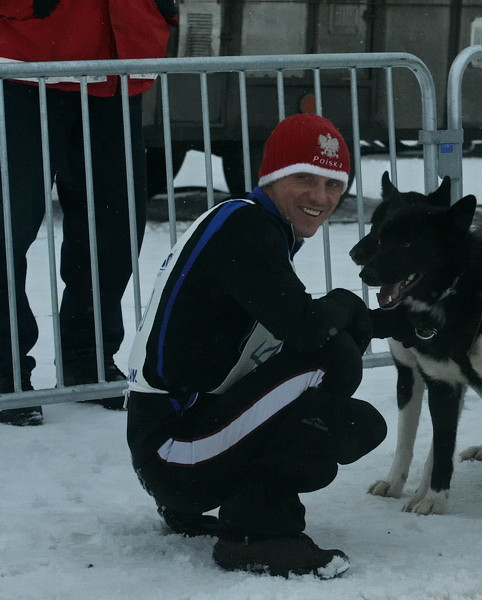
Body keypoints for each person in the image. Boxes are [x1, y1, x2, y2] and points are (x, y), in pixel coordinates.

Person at [126, 114, 386, 579]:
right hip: (174, 452)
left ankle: (212, 502)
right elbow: (309, 331)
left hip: (172, 440)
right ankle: (257, 533)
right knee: (332, 362)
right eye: (303, 178)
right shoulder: (246, 228)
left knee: (355, 421)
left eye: (332, 184)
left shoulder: (245, 221)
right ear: (270, 178)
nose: (320, 197)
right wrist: (348, 304)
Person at [0, 1, 178, 426]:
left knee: (114, 228)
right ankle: (5, 372)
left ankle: (90, 358)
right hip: (25, 60)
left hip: (118, 62)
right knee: (8, 226)